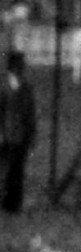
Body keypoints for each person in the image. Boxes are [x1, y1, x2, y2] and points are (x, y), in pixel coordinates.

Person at [0, 52, 36, 215]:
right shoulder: (3, 86)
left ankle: (14, 203)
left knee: (17, 170)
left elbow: (30, 113)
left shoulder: (26, 87)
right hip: (5, 134)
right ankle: (6, 200)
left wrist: (31, 134)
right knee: (4, 168)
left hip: (20, 135)